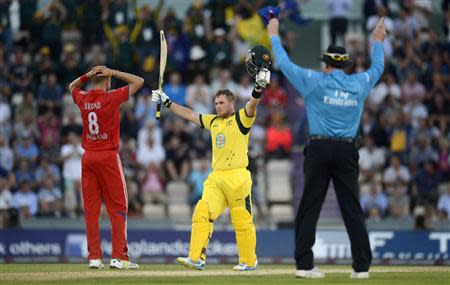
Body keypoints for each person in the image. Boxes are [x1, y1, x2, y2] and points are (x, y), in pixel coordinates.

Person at [268, 17, 386, 279]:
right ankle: (361, 268)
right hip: (346, 151)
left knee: (310, 206)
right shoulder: (359, 83)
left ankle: (304, 265)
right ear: (345, 64)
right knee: (351, 208)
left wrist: (274, 34)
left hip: (319, 149)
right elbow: (378, 67)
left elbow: (285, 65)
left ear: (325, 63)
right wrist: (377, 41)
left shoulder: (313, 80)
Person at [151, 45, 271, 271]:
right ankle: (196, 257)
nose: (217, 107)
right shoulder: (213, 121)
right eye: (215, 104)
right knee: (202, 212)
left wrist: (258, 87)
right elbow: (188, 114)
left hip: (237, 177)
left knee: (242, 221)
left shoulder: (241, 119)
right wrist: (166, 102)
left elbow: (253, 104)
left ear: (231, 103)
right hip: (216, 177)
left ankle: (248, 261)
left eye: (221, 103)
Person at [68, 65, 144, 270]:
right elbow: (139, 81)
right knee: (118, 207)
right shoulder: (111, 97)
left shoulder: (83, 98)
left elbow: (71, 86)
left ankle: (94, 257)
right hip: (108, 157)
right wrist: (114, 72)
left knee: (91, 210)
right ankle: (119, 257)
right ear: (107, 82)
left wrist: (87, 75)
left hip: (88, 158)